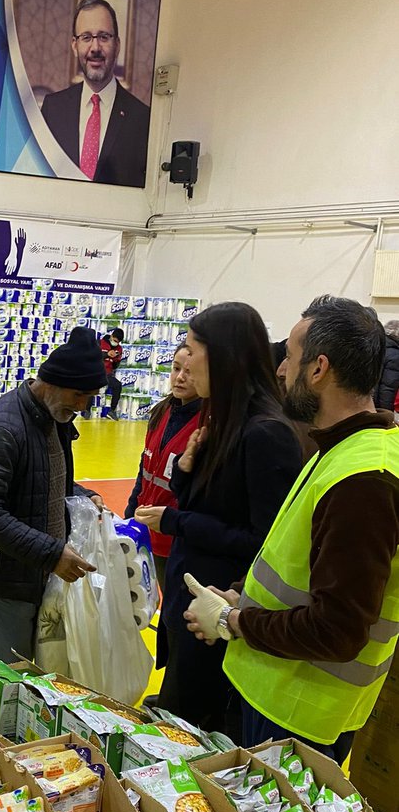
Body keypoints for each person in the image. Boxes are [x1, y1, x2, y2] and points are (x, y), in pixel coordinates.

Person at [185, 297, 399, 762]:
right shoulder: (339, 449)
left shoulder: (364, 479)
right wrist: (241, 597)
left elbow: (338, 630)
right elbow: (296, 562)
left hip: (300, 712)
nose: (281, 370)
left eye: (290, 358)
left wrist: (234, 623)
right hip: (274, 689)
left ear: (319, 369)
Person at [134, 302, 302, 737]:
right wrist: (187, 470)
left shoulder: (265, 432)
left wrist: (175, 521)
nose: (183, 361)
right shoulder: (219, 420)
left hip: (219, 609)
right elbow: (209, 505)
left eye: (191, 348)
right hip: (190, 601)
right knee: (174, 715)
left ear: (223, 356)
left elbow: (263, 542)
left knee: (190, 729)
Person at [0, 327, 106, 662]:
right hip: (7, 581)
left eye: (90, 398)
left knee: (40, 682)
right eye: (79, 395)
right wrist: (52, 554)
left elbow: (43, 480)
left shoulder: (54, 419)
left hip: (41, 573)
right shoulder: (1, 430)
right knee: (10, 682)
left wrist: (82, 495)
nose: (83, 406)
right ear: (52, 382)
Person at [40, 0, 151, 189]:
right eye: (86, 37)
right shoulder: (53, 109)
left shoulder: (143, 119)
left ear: (117, 45)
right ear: (74, 45)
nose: (95, 48)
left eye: (103, 37)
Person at [124, 344, 201, 590]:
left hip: (178, 538)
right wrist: (130, 511)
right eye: (176, 368)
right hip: (149, 531)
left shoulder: (208, 425)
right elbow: (145, 468)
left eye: (189, 371)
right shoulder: (161, 411)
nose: (180, 378)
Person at [100, 327, 125, 419]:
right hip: (97, 372)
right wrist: (107, 354)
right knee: (90, 385)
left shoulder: (119, 349)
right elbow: (93, 356)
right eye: (114, 340)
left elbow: (115, 366)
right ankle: (86, 411)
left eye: (117, 342)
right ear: (111, 336)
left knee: (118, 385)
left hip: (108, 374)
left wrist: (115, 359)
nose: (115, 343)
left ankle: (111, 411)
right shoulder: (100, 343)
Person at [375, 319, 399, 411]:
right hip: (380, 404)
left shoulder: (376, 346)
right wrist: (387, 411)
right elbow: (388, 387)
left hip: (367, 398)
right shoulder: (395, 355)